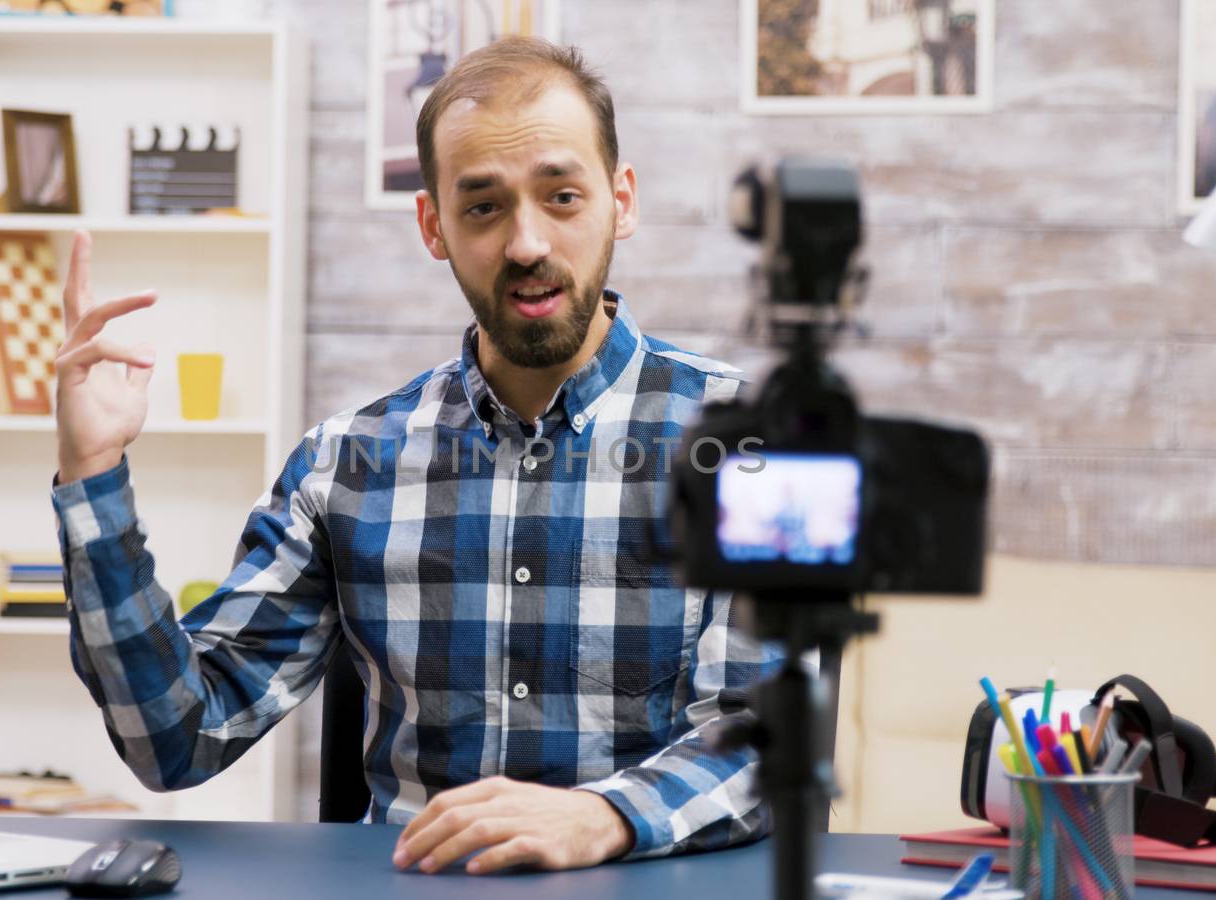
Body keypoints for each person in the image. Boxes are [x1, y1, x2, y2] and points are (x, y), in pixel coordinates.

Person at [49, 36, 779, 876]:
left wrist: (602, 816)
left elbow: (763, 741)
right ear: (433, 225)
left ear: (622, 200)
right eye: (483, 207)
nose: (527, 244)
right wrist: (93, 475)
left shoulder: (748, 444)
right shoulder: (345, 465)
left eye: (563, 196)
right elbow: (173, 738)